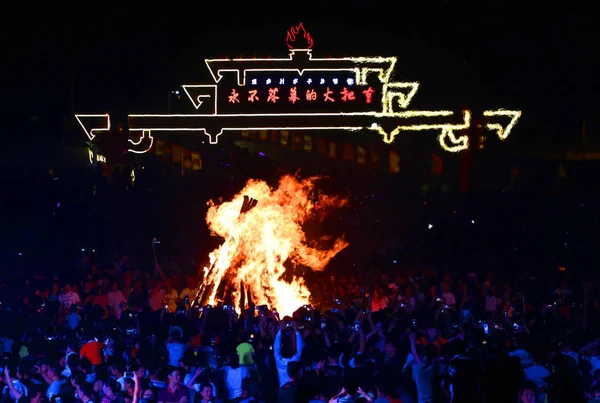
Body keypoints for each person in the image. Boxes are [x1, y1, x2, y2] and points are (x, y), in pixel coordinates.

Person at [274, 320, 304, 387]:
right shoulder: (295, 360)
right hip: (295, 389)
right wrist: (296, 330)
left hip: (283, 389)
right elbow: (300, 347)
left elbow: (276, 347)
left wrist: (280, 330)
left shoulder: (279, 361)